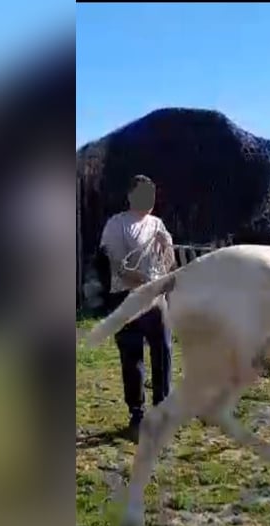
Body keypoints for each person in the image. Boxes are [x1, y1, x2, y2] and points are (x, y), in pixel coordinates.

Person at [99, 174, 175, 442]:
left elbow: (169, 260)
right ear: (131, 196)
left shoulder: (158, 224)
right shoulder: (116, 224)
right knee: (132, 358)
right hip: (126, 298)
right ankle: (138, 416)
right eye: (145, 194)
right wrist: (147, 282)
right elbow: (118, 264)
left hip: (156, 300)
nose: (150, 200)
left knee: (163, 352)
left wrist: (167, 251)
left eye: (153, 194)